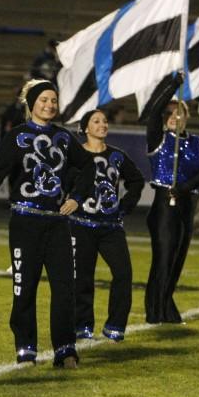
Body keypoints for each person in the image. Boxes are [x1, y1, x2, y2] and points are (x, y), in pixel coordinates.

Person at [0, 79, 94, 367]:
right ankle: (26, 348)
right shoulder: (16, 137)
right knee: (24, 288)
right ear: (31, 104)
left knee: (64, 289)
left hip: (57, 224)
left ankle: (65, 349)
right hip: (24, 224)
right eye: (44, 100)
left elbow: (89, 166)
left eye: (53, 100)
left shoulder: (65, 137)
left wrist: (78, 197)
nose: (50, 105)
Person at [141, 73, 199, 323]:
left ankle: (166, 304)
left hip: (186, 203)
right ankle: (155, 309)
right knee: (163, 258)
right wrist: (172, 85)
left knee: (177, 259)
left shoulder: (197, 142)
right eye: (169, 114)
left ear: (186, 117)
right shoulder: (158, 138)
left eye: (178, 113)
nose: (173, 118)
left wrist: (183, 188)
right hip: (164, 205)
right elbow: (152, 113)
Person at [69, 109, 144, 341]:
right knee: (82, 278)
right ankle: (82, 327)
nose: (102, 125)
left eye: (104, 121)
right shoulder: (75, 156)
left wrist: (124, 207)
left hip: (111, 227)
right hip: (80, 225)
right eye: (96, 121)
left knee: (123, 274)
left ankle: (115, 326)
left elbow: (137, 180)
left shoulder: (117, 156)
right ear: (85, 128)